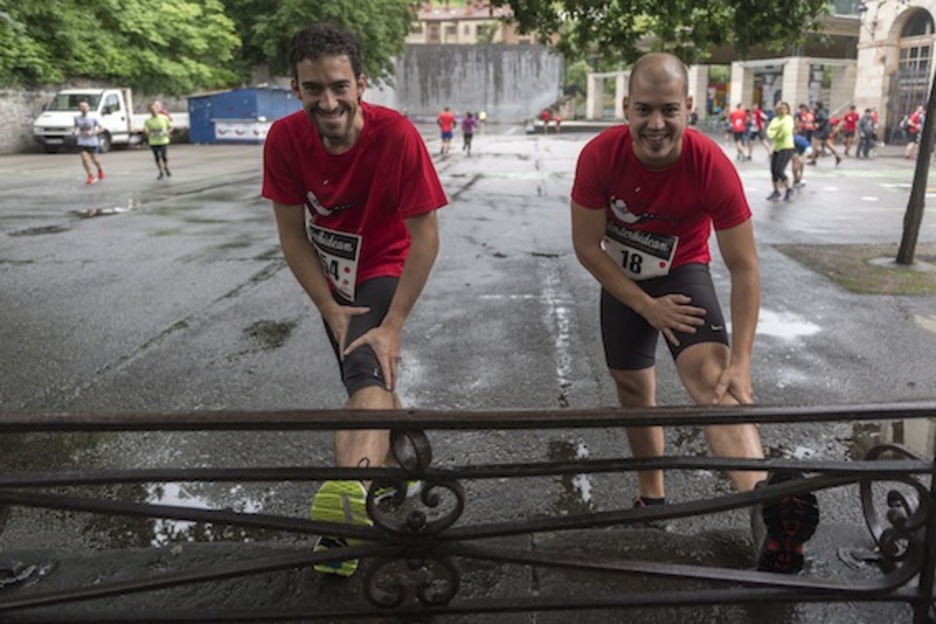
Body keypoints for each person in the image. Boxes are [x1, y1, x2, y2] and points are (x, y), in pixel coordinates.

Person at [570, 52, 818, 574]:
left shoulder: (710, 165)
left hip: (682, 274)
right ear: (625, 107)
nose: (654, 124)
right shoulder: (599, 155)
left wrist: (742, 360)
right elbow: (587, 246)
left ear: (688, 107)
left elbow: (744, 268)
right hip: (624, 280)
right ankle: (652, 499)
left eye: (667, 110)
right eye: (643, 110)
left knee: (715, 380)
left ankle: (770, 507)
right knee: (634, 390)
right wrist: (643, 304)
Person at [261, 22, 447, 577]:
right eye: (314, 88)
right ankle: (395, 471)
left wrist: (393, 323)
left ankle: (346, 515)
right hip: (333, 279)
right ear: (296, 88)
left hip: (386, 266)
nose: (328, 100)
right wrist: (327, 305)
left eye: (339, 86)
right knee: (370, 383)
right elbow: (292, 235)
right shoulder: (285, 139)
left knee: (366, 372)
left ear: (361, 83)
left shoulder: (395, 137)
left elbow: (427, 236)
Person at [766, 101, 795, 201]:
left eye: (784, 108)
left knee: (780, 171)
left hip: (786, 147)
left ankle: (789, 189)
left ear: (787, 110)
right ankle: (776, 191)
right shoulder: (775, 119)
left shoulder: (789, 119)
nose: (782, 110)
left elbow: (785, 131)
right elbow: (769, 131)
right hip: (777, 147)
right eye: (780, 108)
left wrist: (776, 133)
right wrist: (775, 133)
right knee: (773, 170)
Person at [73, 100, 104, 185]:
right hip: (82, 141)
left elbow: (102, 129)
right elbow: (75, 127)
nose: (83, 108)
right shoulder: (77, 118)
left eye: (85, 107)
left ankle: (100, 169)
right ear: (79, 108)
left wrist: (93, 133)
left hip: (92, 141)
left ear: (88, 108)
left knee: (94, 159)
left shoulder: (93, 118)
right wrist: (74, 131)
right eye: (81, 107)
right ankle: (90, 175)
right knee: (84, 159)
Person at [143, 101, 172, 180]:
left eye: (155, 109)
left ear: (157, 110)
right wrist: (147, 131)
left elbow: (171, 127)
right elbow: (146, 129)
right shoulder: (148, 120)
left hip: (163, 140)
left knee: (164, 157)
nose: (153, 111)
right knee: (157, 157)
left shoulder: (164, 118)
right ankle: (161, 172)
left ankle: (166, 167)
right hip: (153, 141)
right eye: (151, 110)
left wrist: (167, 132)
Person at [808, 101, 841, 166]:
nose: (813, 107)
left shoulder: (821, 112)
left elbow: (825, 119)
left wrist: (819, 125)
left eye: (814, 105)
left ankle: (814, 158)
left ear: (817, 106)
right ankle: (837, 156)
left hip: (821, 131)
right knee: (828, 145)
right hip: (824, 131)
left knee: (815, 145)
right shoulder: (821, 111)